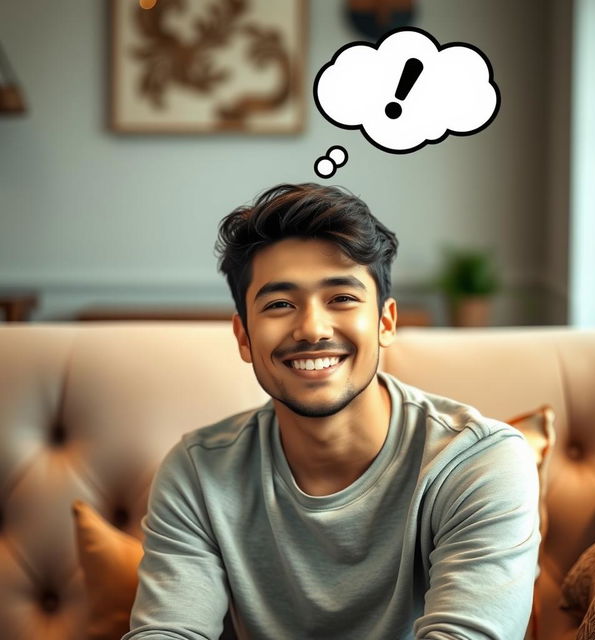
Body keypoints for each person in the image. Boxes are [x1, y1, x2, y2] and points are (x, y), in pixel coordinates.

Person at [122, 183, 540, 640]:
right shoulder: (198, 471)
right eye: (280, 304)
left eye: (341, 298)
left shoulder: (476, 462)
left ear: (385, 321)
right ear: (243, 336)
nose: (312, 329)